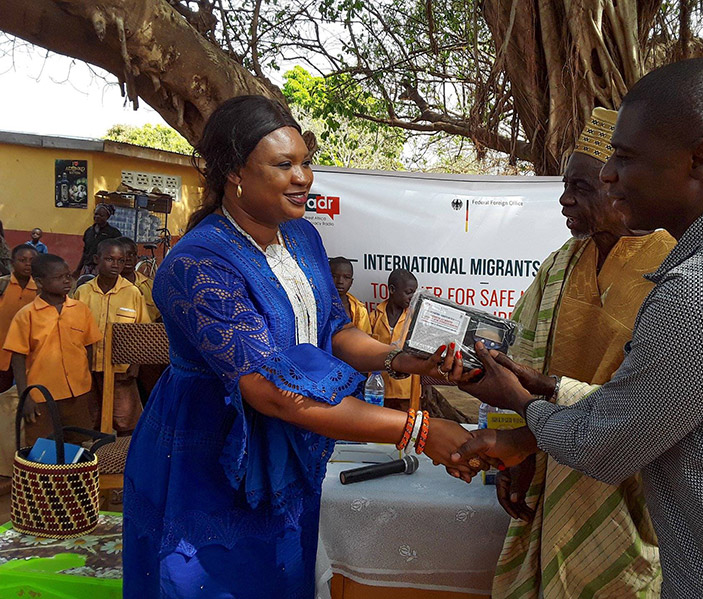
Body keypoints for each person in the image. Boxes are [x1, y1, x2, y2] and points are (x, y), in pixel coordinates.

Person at [453, 57, 703, 597]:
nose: (609, 174)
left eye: (624, 156)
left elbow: (606, 444)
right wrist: (548, 386)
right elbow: (674, 394)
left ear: (700, 159)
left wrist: (521, 403)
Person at [122, 95, 477, 599]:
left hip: (291, 448)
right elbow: (267, 390)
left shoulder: (302, 237)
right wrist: (419, 429)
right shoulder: (198, 264)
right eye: (284, 164)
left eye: (305, 162)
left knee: (282, 576)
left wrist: (397, 358)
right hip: (208, 457)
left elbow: (330, 328)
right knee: (209, 580)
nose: (303, 177)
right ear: (234, 174)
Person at [491, 108, 675, 599]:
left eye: (582, 187)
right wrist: (515, 449)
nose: (564, 198)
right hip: (553, 456)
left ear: (620, 190)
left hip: (635, 476)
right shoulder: (559, 263)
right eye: (565, 184)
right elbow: (521, 345)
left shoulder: (677, 267)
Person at [3, 254, 101, 445]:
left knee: (77, 444)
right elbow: (18, 357)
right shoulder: (27, 316)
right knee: (42, 448)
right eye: (59, 278)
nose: (67, 281)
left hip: (77, 394)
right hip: (41, 396)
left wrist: (86, 382)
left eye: (68, 275)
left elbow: (89, 347)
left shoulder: (81, 310)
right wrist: (26, 397)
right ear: (39, 282)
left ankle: (71, 476)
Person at [74, 238, 150, 434]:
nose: (115, 265)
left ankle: (122, 460)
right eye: (109, 259)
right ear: (96, 259)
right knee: (89, 418)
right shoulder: (83, 292)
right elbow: (73, 330)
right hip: (87, 368)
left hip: (121, 370)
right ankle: (92, 459)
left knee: (126, 420)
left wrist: (136, 363)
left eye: (120, 260)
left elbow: (142, 331)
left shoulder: (132, 293)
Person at [370, 268, 422, 410]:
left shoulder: (413, 319)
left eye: (414, 292)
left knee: (407, 426)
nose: (412, 297)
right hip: (380, 388)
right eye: (408, 292)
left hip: (407, 390)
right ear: (392, 290)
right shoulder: (375, 316)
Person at [0, 245, 39, 392]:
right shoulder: (3, 285)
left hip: (28, 356)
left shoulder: (41, 289)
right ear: (12, 262)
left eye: (32, 260)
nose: (28, 264)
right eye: (22, 260)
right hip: (2, 352)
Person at [116, 236, 159, 321]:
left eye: (132, 254)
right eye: (124, 254)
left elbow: (159, 316)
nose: (128, 258)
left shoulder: (150, 286)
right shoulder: (110, 285)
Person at [75, 204, 121, 276]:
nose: (97, 217)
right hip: (88, 267)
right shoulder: (89, 231)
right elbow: (85, 251)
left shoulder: (113, 233)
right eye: (96, 214)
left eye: (101, 215)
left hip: (104, 268)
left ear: (107, 217)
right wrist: (78, 269)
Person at [329, 256, 371, 335]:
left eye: (346, 277)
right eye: (334, 276)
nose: (340, 281)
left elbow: (363, 339)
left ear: (351, 282)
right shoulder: (318, 304)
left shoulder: (359, 310)